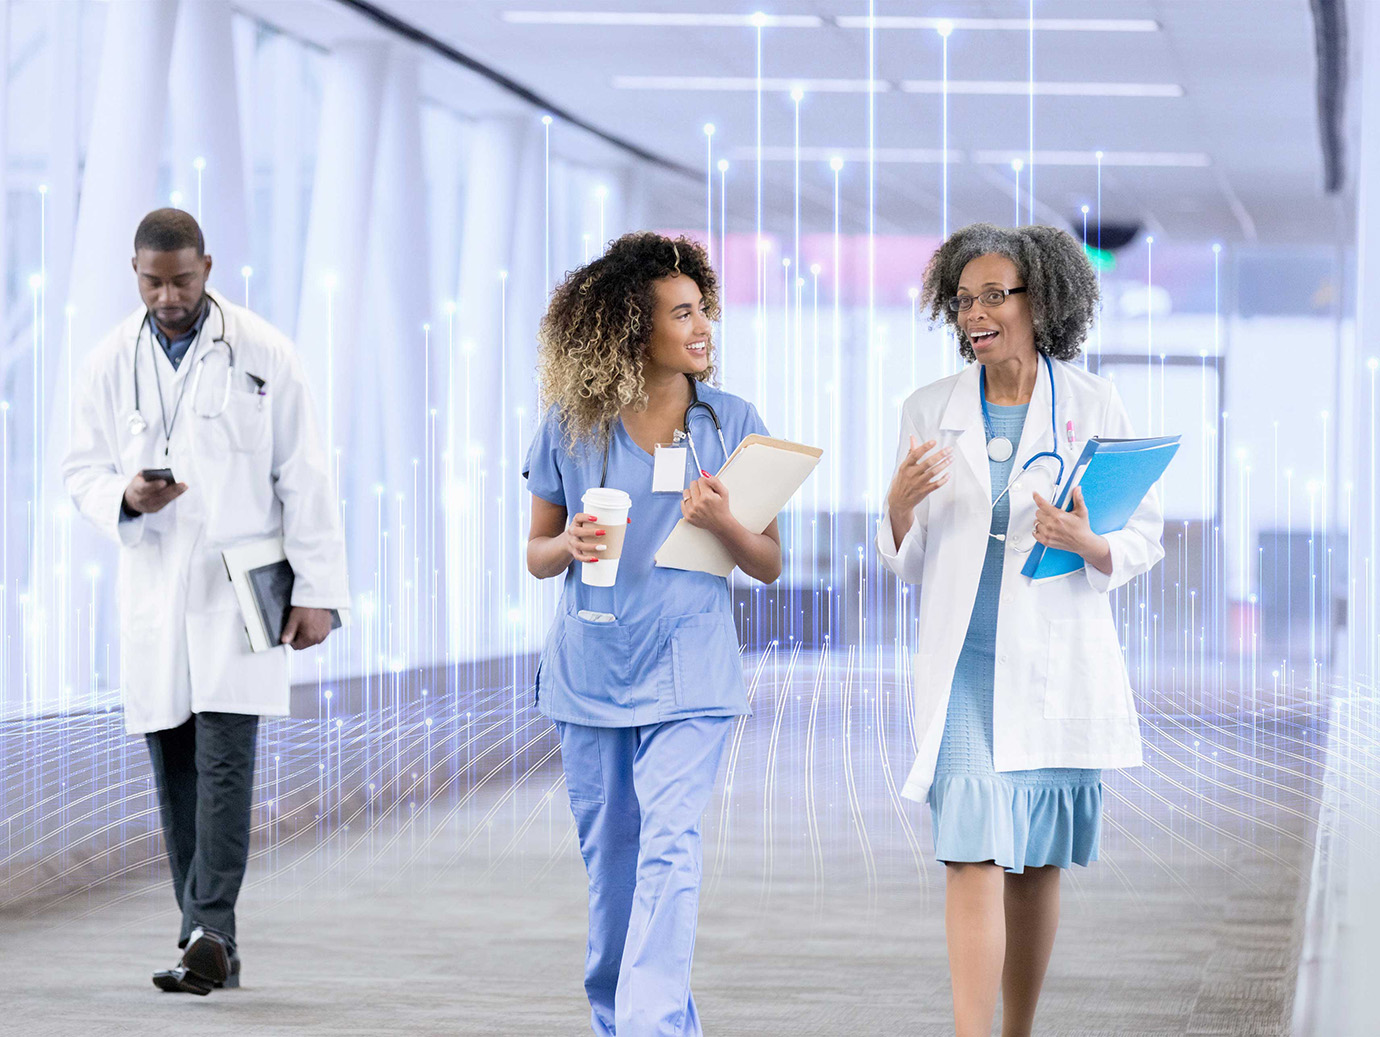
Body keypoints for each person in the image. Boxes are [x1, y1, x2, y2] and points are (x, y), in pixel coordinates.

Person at [877, 223, 1164, 1037]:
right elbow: (907, 556)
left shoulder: (1091, 402)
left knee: (1035, 859)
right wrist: (897, 506)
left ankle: (1017, 1029)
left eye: (994, 295)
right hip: (964, 659)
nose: (976, 313)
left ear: (1045, 301)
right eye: (965, 300)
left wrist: (1090, 543)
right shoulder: (928, 408)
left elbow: (1143, 530)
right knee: (967, 846)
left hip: (1053, 659)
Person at [63, 208, 348, 995]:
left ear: (208, 267)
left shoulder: (262, 352)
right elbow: (79, 469)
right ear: (135, 273)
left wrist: (320, 592)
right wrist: (125, 495)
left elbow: (306, 474)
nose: (167, 296)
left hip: (242, 586)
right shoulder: (108, 362)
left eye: (181, 279)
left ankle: (210, 927)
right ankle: (202, 932)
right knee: (176, 767)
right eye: (152, 281)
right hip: (156, 589)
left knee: (226, 762)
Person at [523, 232, 782, 1036]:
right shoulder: (571, 426)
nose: (702, 324)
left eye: (702, 307)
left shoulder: (733, 422)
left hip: (690, 669)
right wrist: (567, 546)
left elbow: (769, 563)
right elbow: (536, 553)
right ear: (632, 330)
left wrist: (726, 521)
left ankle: (652, 1026)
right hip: (591, 667)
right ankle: (620, 1016)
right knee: (614, 869)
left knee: (671, 851)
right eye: (682, 312)